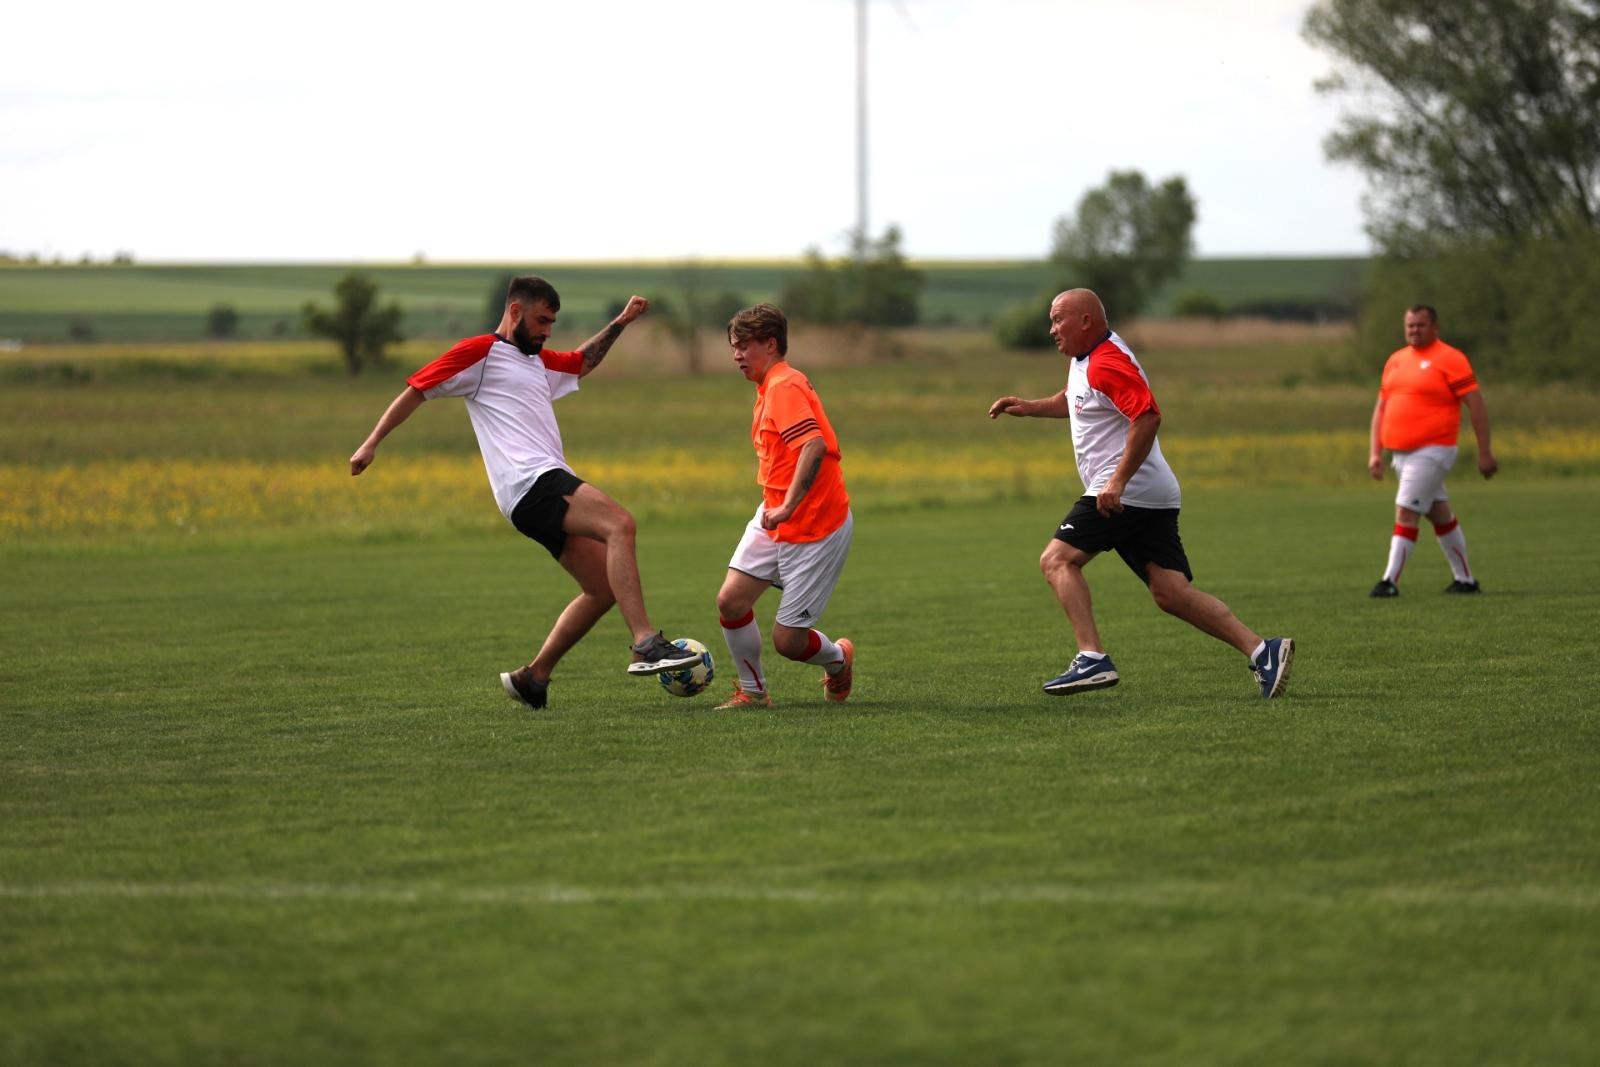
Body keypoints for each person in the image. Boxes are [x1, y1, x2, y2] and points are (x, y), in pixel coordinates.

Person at [349, 275, 701, 709]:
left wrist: (622, 322)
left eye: (552, 322)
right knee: (620, 524)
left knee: (603, 588)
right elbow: (417, 390)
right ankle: (645, 642)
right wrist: (371, 442)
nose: (546, 331)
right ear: (515, 311)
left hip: (529, 494)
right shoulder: (480, 352)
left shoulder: (539, 361)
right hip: (531, 481)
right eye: (541, 320)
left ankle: (533, 678)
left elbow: (581, 361)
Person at [987, 288, 1293, 698]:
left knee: (1056, 560)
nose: (1051, 329)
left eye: (1058, 319)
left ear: (1085, 321)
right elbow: (1076, 401)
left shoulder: (1106, 363)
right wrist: (1030, 407)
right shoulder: (1088, 359)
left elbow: (1147, 417)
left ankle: (1091, 657)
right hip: (1150, 493)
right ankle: (1263, 651)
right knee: (1170, 593)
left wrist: (1116, 483)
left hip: (1124, 492)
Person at [711, 303, 855, 709]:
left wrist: (790, 504)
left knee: (788, 642)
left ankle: (840, 659)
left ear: (770, 344)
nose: (736, 355)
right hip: (775, 514)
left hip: (816, 526)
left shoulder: (783, 387)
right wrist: (782, 507)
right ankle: (753, 694)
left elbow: (813, 445)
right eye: (733, 347)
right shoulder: (770, 386)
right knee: (731, 602)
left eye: (743, 346)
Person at [1367, 304, 1497, 597]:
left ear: (1435, 327)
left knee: (1406, 512)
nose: (1414, 330)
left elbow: (1476, 405)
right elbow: (1382, 408)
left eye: (1420, 325)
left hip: (1433, 450)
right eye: (1410, 325)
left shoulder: (1450, 358)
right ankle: (1465, 580)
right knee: (1439, 514)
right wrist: (1375, 452)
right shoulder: (1396, 360)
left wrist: (1485, 452)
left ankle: (1389, 581)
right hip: (1400, 453)